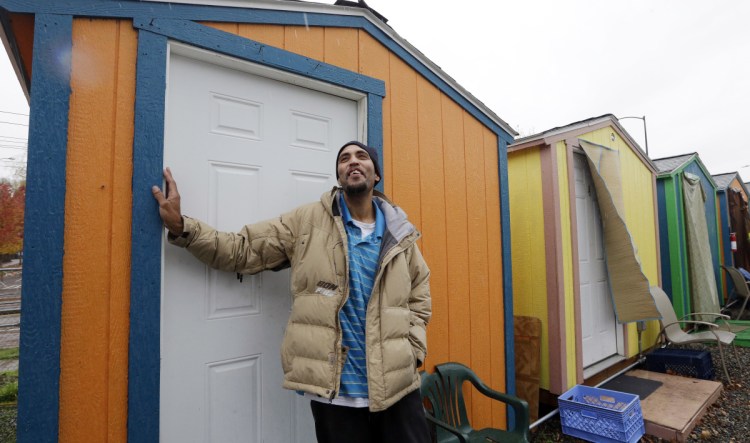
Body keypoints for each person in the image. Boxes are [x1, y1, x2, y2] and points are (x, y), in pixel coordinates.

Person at [152, 141, 432, 443]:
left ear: (375, 175)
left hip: (397, 388)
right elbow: (244, 249)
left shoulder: (399, 233)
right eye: (344, 159)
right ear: (339, 176)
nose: (352, 162)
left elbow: (419, 293)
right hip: (337, 398)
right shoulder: (306, 223)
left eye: (361, 157)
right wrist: (183, 227)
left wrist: (412, 348)